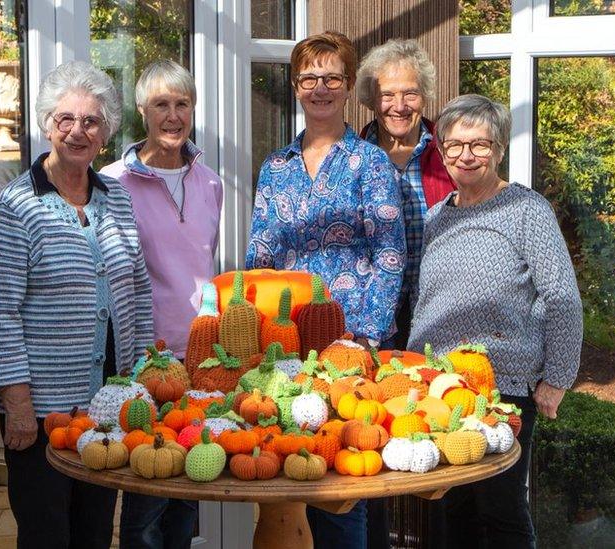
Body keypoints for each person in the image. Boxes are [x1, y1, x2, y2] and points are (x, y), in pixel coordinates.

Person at [0, 61, 154, 549]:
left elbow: (136, 292)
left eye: (91, 121)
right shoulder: (19, 205)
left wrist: (137, 380)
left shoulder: (115, 197)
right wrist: (17, 403)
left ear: (106, 133)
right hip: (41, 411)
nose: (78, 131)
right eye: (65, 120)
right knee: (46, 533)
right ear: (47, 125)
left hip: (106, 405)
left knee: (96, 531)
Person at [245, 31, 406, 549]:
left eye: (332, 77)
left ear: (347, 85)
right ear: (295, 87)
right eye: (309, 78)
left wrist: (365, 339)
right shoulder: (277, 166)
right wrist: (253, 333)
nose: (320, 88)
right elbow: (260, 255)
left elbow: (389, 254)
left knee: (340, 485)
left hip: (347, 345)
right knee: (285, 472)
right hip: (286, 344)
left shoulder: (370, 162)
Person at [407, 94, 583, 548]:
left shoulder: (527, 211)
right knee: (448, 507)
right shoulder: (434, 218)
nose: (466, 155)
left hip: (500, 386)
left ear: (500, 149)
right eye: (455, 145)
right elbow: (425, 300)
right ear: (441, 151)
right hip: (438, 388)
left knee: (500, 507)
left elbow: (561, 295)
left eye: (480, 145)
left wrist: (557, 377)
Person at [100, 59, 222, 549]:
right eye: (160, 105)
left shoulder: (210, 181)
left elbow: (205, 264)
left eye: (182, 104)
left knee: (187, 490)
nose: (173, 116)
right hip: (145, 360)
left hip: (201, 356)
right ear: (142, 113)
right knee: (148, 490)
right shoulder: (113, 182)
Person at [354, 38, 457, 548]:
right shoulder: (352, 157)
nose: (399, 105)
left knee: (435, 450)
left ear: (425, 97)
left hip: (436, 322)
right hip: (372, 326)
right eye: (388, 94)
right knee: (371, 443)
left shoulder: (448, 153)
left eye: (410, 93)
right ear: (371, 99)